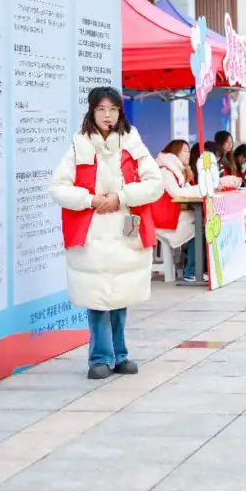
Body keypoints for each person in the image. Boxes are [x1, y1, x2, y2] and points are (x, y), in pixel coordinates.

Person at [50, 87, 164, 380]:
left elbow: (155, 183)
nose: (107, 115)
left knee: (120, 297)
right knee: (97, 298)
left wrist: (121, 197)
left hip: (125, 229)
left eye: (112, 109)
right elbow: (58, 188)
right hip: (92, 234)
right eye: (101, 109)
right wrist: (90, 200)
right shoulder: (79, 146)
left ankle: (120, 354)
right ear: (92, 111)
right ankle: (100, 358)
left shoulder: (133, 143)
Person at [150, 139, 203, 285]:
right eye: (185, 151)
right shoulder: (165, 171)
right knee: (197, 227)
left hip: (171, 214)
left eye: (189, 151)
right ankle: (191, 272)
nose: (188, 154)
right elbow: (177, 193)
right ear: (175, 152)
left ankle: (196, 269)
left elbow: (186, 189)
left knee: (200, 222)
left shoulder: (177, 170)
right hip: (162, 218)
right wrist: (201, 189)